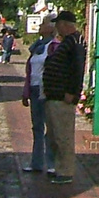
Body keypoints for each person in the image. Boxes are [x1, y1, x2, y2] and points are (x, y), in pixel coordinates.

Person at [41, 10, 85, 184]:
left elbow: (77, 68)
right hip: (54, 95)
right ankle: (59, 168)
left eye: (58, 23)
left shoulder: (75, 42)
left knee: (63, 136)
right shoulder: (67, 41)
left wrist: (72, 92)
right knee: (54, 135)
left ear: (65, 24)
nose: (56, 27)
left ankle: (65, 172)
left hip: (62, 97)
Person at [21, 18, 56, 173]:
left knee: (50, 127)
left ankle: (51, 163)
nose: (40, 27)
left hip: (47, 90)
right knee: (37, 127)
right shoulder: (36, 47)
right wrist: (26, 91)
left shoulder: (53, 46)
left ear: (50, 28)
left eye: (43, 24)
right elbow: (30, 72)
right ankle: (36, 163)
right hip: (35, 90)